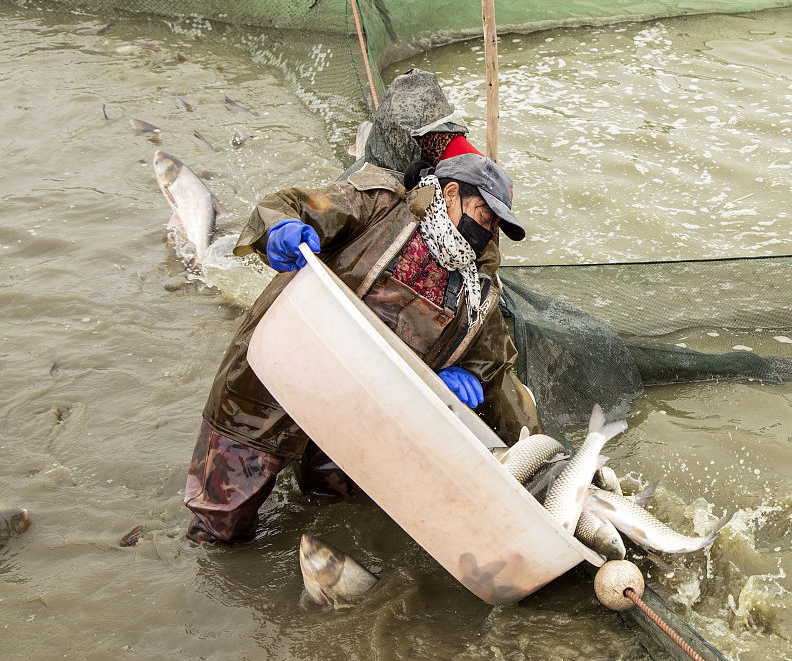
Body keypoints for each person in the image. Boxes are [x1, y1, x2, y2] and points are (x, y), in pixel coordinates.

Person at [184, 69, 542, 545]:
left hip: (352, 417)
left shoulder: (479, 287)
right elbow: (289, 203)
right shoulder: (377, 204)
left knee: (334, 514)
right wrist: (279, 228)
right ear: (451, 194)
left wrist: (495, 406)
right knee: (219, 528)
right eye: (483, 215)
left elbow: (497, 367)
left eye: (497, 225)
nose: (487, 232)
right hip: (270, 383)